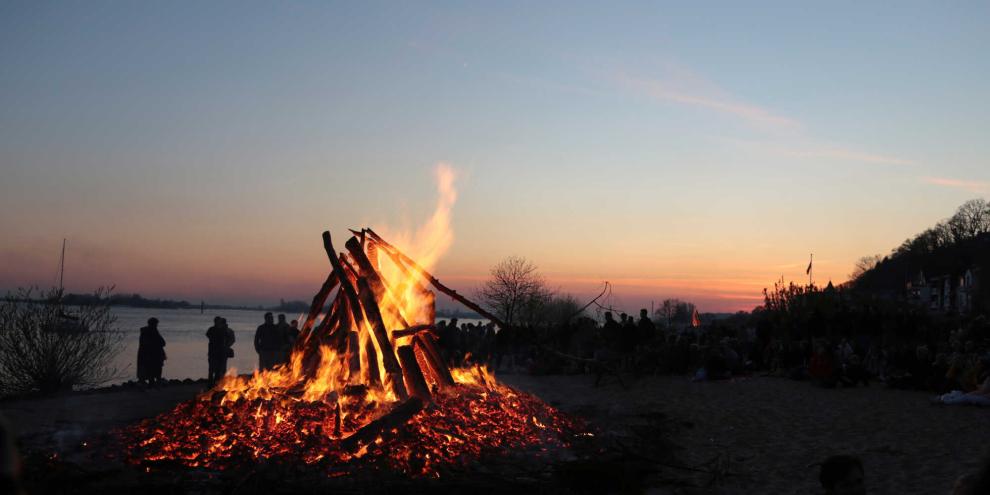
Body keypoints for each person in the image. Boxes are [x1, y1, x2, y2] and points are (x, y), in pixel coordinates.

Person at [137, 317, 166, 387]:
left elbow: (162, 342)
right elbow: (161, 342)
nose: (156, 325)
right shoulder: (151, 331)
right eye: (156, 324)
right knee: (152, 369)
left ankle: (151, 383)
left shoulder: (148, 332)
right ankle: (152, 383)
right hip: (151, 355)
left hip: (150, 354)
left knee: (151, 369)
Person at [206, 316, 235, 385]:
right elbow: (209, 336)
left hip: (220, 353)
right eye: (217, 321)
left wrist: (226, 346)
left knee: (219, 369)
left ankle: (217, 383)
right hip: (214, 352)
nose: (217, 323)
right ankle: (212, 384)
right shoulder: (213, 330)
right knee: (212, 369)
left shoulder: (224, 330)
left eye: (219, 322)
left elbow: (231, 339)